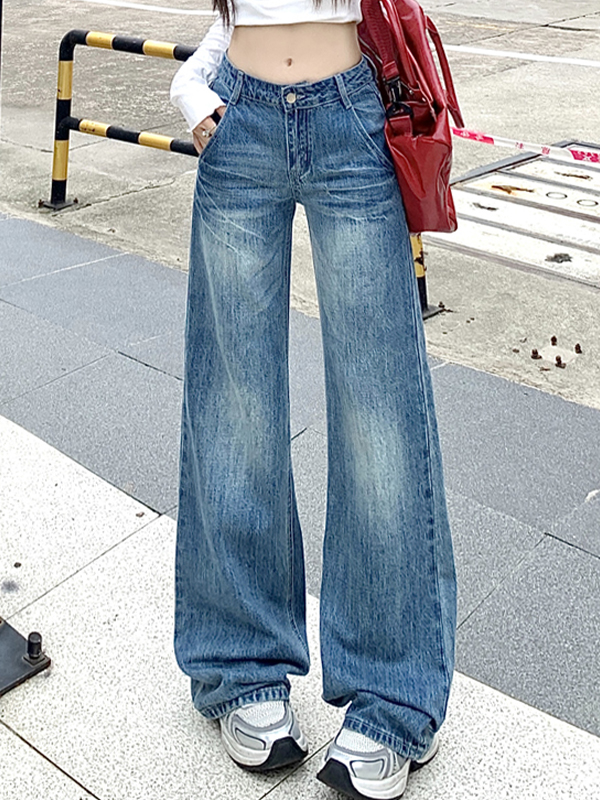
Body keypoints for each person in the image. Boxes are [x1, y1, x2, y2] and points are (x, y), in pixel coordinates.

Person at [170, 2, 457, 798]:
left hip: (350, 115)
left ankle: (395, 695)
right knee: (233, 410)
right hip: (240, 121)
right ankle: (238, 663)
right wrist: (194, 88)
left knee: (380, 413)